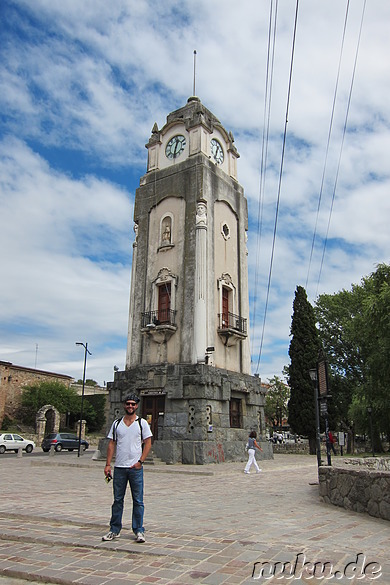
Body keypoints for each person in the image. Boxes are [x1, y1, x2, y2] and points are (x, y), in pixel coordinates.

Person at [102, 393, 152, 543]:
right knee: (118, 500)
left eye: (133, 404)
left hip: (135, 468)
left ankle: (139, 530)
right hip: (119, 468)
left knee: (138, 500)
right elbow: (112, 443)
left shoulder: (142, 423)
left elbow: (148, 442)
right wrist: (107, 464)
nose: (130, 406)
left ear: (137, 406)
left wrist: (140, 461)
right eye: (128, 404)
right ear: (124, 405)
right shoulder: (117, 423)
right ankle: (114, 529)